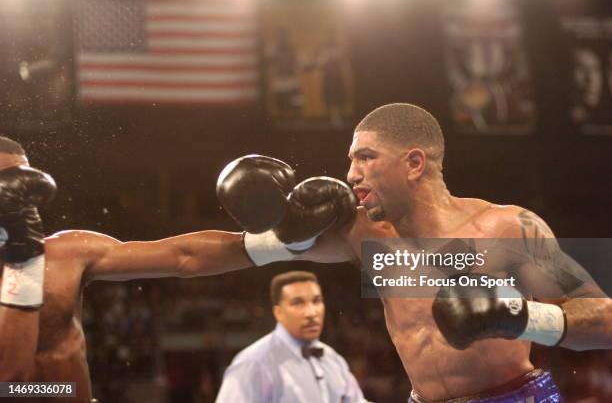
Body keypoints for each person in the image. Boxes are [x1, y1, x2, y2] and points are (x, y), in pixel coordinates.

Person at [219, 103, 612, 402]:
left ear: (413, 163)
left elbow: (605, 321)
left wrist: (523, 316)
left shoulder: (508, 228)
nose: (351, 173)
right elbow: (193, 255)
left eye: (365, 157)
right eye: (350, 160)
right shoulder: (362, 233)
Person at [0, 138, 357, 403]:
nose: (17, 197)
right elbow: (10, 379)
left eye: (21, 184)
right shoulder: (33, 258)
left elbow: (181, 256)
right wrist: (23, 255)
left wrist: (282, 241)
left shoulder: (64, 253)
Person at [215, 270, 365, 403]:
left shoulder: (333, 359)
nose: (312, 313)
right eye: (298, 303)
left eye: (316, 301)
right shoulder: (254, 363)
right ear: (278, 312)